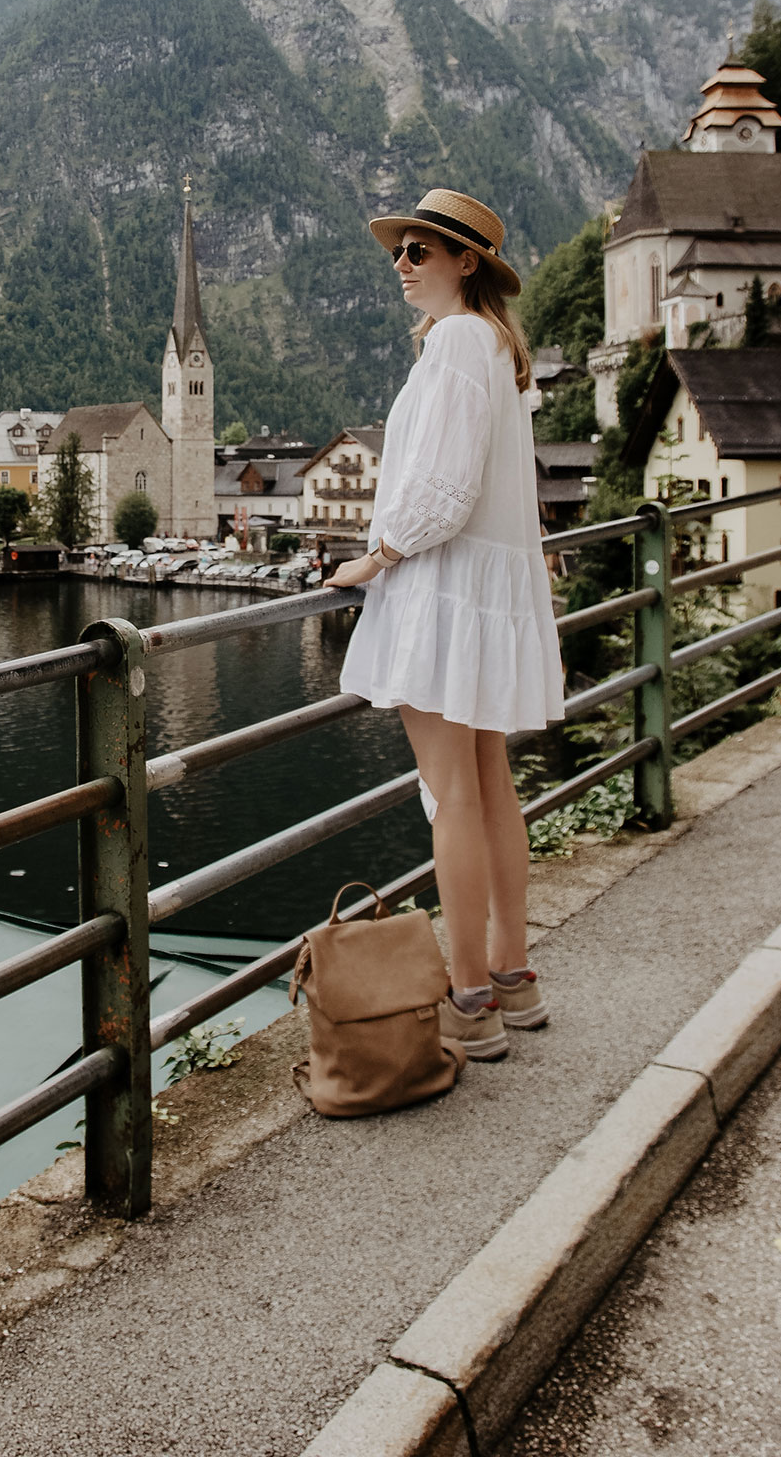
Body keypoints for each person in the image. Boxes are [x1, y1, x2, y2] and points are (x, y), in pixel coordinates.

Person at [326, 189, 563, 1061]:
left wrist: (376, 554)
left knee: (453, 794)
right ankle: (511, 977)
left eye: (419, 250)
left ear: (467, 264)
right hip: (483, 589)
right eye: (400, 249)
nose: (402, 263)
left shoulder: (461, 341)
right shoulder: (493, 347)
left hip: (443, 586)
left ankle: (468, 999)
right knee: (488, 780)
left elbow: (446, 487)